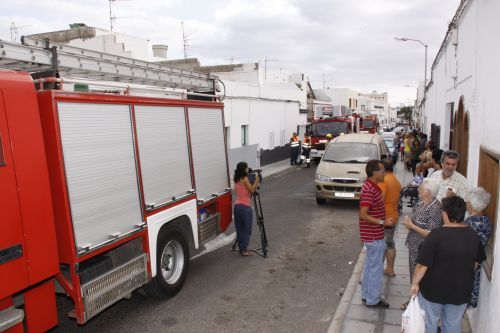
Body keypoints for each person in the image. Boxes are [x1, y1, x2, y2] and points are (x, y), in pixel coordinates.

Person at [410, 196, 486, 333]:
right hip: (460, 291)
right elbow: (475, 263)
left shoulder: (436, 235)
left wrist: (415, 284)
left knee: (429, 322)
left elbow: (422, 265)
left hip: (433, 291)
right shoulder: (473, 235)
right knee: (452, 324)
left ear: (445, 214)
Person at [401, 178, 442, 310]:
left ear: (429, 192)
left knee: (421, 276)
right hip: (414, 245)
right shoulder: (420, 203)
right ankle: (414, 300)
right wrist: (409, 223)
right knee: (413, 273)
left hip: (424, 248)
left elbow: (431, 234)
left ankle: (419, 304)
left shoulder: (435, 208)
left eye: (421, 188)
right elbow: (414, 220)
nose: (418, 190)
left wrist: (412, 226)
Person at [359, 159, 394, 308]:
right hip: (373, 235)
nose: (384, 172)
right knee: (376, 270)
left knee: (370, 266)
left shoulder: (371, 186)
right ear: (374, 172)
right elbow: (363, 214)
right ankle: (373, 300)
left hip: (372, 234)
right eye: (381, 170)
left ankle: (366, 294)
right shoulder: (369, 189)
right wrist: (382, 223)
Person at [464, 187, 492, 307]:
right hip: (475, 266)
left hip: (467, 267)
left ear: (471, 205)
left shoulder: (471, 223)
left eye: (467, 202)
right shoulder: (486, 220)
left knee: (459, 300)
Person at [377, 159, 401, 277]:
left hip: (384, 217)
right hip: (393, 215)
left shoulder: (383, 180)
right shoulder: (395, 180)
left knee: (380, 244)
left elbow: (379, 199)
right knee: (389, 243)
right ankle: (390, 269)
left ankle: (376, 271)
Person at [233, 162, 259, 256]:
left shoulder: (236, 178)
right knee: (247, 229)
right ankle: (244, 250)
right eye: (247, 168)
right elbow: (252, 190)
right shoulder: (245, 178)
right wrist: (256, 179)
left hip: (237, 207)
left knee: (239, 229)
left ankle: (241, 247)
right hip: (245, 207)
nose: (248, 169)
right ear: (244, 169)